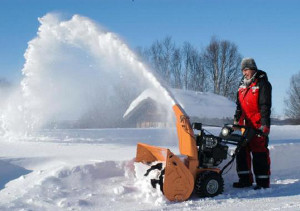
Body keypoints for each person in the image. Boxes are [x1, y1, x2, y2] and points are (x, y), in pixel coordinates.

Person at [233, 57, 272, 190]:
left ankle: (262, 183)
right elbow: (239, 107)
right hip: (245, 125)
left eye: (246, 69)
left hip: (258, 125)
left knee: (259, 152)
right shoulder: (241, 86)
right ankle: (245, 180)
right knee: (241, 151)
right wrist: (235, 121)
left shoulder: (262, 84)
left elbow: (265, 106)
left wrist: (265, 125)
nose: (244, 73)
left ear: (253, 69)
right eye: (243, 70)